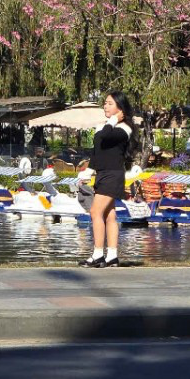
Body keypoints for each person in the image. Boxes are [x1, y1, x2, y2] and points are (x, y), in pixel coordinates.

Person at [81, 91, 132, 268]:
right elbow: (97, 150)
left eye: (110, 103)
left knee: (95, 212)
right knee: (110, 216)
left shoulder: (124, 129)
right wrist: (88, 172)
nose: (105, 106)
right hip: (102, 174)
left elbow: (106, 137)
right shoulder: (105, 126)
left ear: (120, 108)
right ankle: (112, 256)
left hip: (113, 174)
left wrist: (114, 120)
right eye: (105, 103)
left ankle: (97, 254)